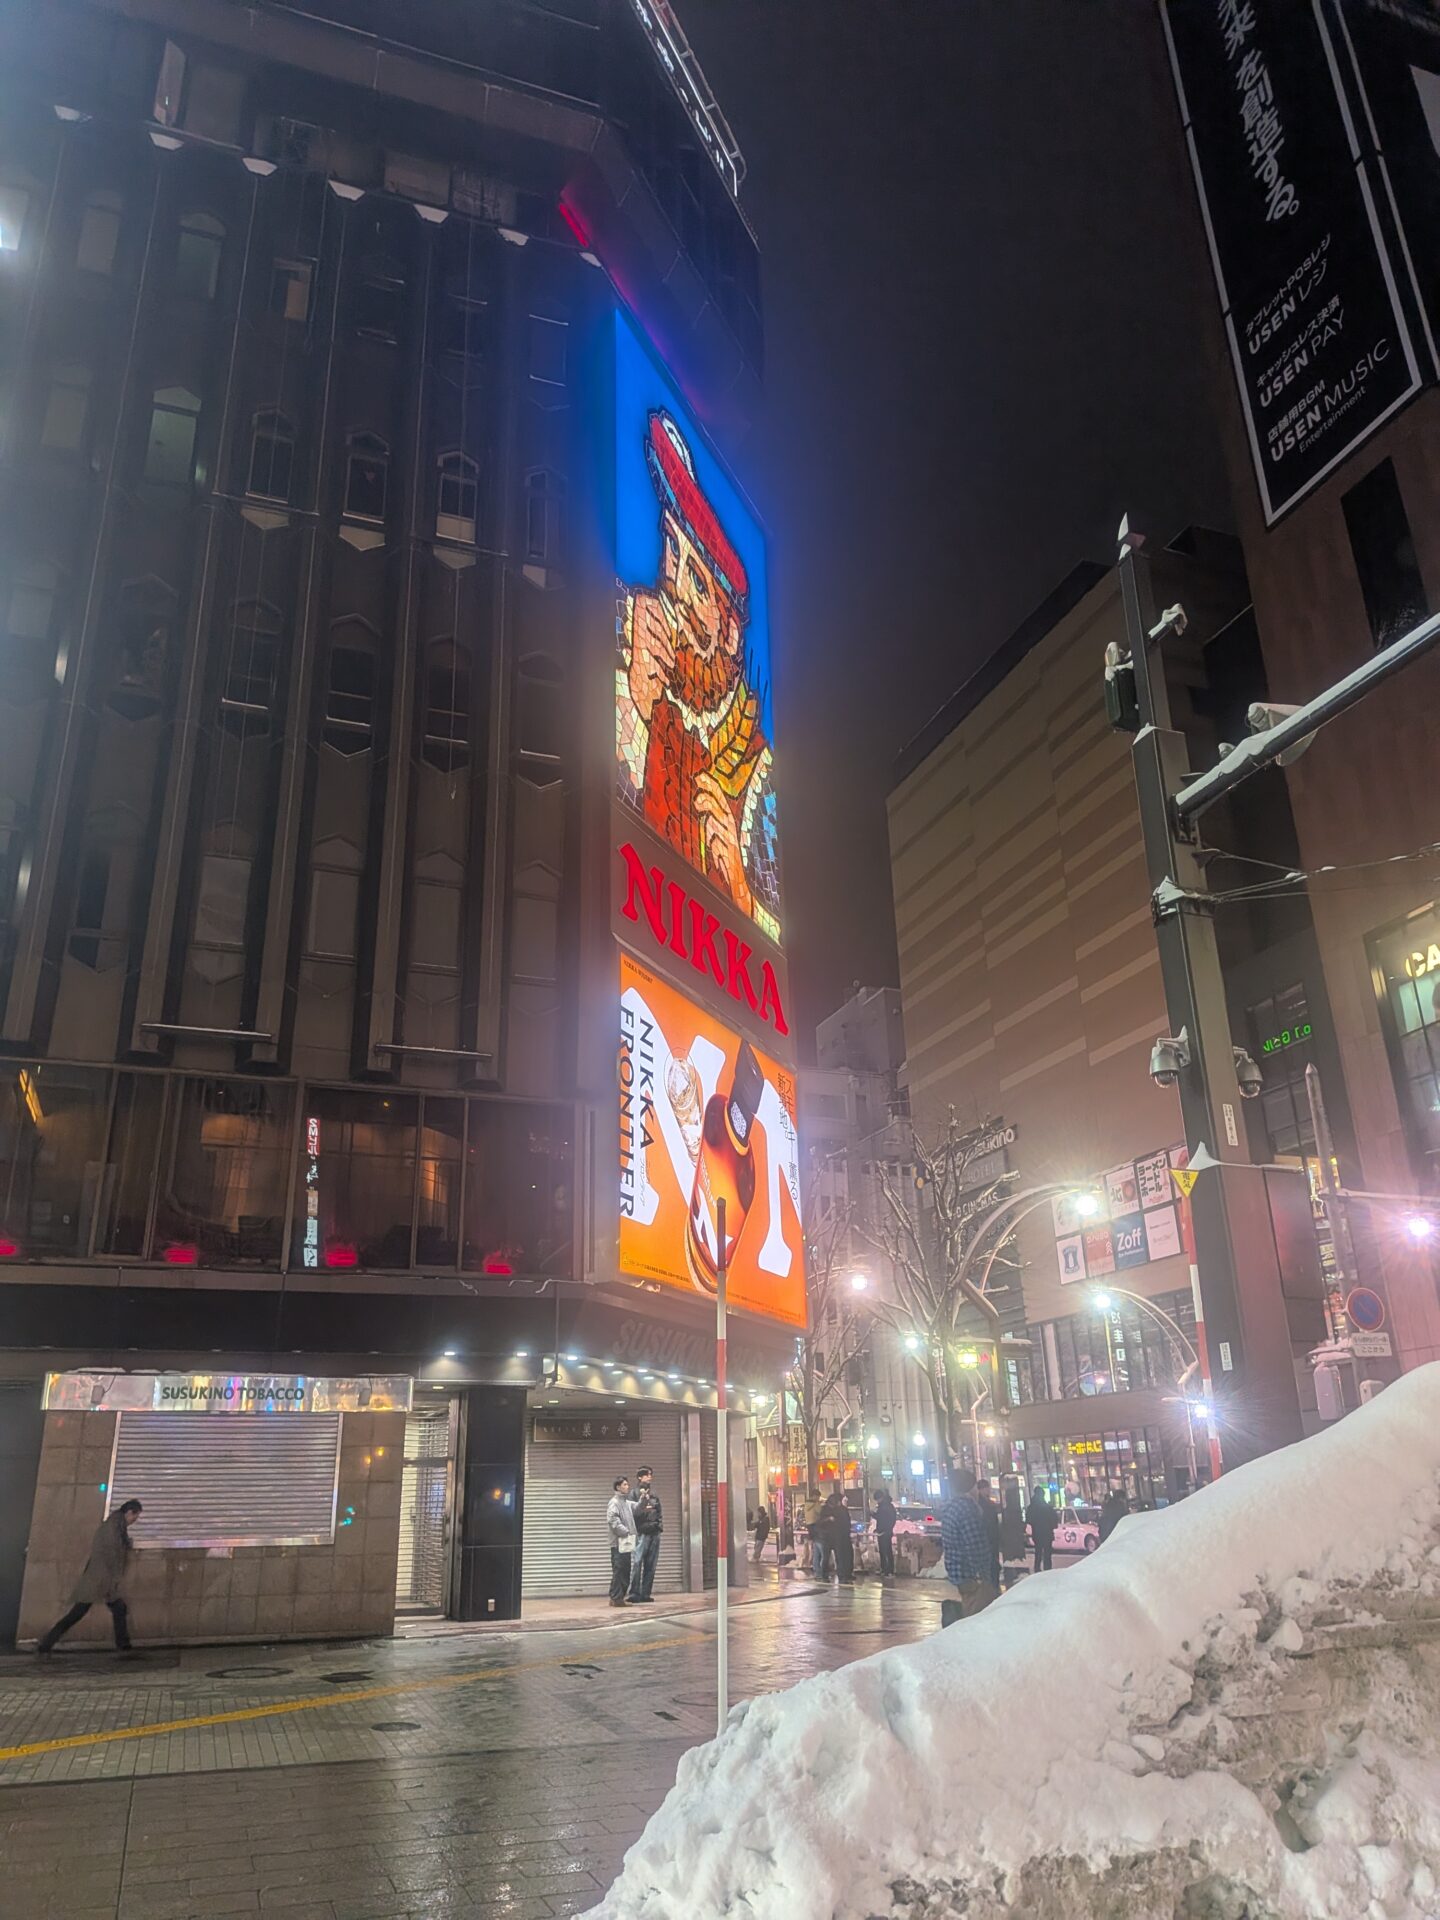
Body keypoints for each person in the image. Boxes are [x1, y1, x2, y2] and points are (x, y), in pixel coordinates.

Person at [616, 410, 780, 938]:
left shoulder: (759, 770)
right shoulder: (621, 629)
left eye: (702, 585)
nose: (678, 586)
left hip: (713, 980)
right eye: (672, 548)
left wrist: (739, 891)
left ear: (731, 633)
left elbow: (780, 932)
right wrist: (633, 706)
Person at [38, 1500, 142, 1656]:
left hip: (102, 1580)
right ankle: (45, 1645)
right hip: (99, 1581)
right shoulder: (112, 1528)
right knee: (77, 1614)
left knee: (117, 1609)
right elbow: (112, 1555)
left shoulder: (117, 1526)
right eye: (136, 1516)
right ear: (129, 1512)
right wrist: (113, 1580)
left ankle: (124, 1645)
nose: (135, 1520)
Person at [939, 1469, 997, 1621]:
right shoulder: (967, 1509)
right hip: (972, 1574)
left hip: (958, 1572)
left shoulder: (950, 1508)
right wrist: (982, 1573)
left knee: (970, 1608)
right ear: (970, 1488)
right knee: (980, 1618)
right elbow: (975, 1544)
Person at [628, 1465, 663, 1603]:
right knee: (637, 1563)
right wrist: (643, 1503)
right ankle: (634, 1593)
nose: (650, 1477)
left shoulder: (654, 1494)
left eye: (650, 1474)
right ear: (639, 1477)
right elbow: (633, 1513)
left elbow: (659, 1511)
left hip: (654, 1533)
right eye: (647, 1475)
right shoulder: (634, 1494)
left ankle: (646, 1594)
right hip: (641, 1533)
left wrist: (659, 1526)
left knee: (651, 1565)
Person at [607, 1475, 636, 1607]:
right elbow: (613, 1520)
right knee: (619, 1569)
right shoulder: (615, 1502)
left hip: (625, 1542)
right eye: (624, 1484)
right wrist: (626, 1531)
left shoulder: (626, 1502)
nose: (627, 1486)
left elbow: (637, 1507)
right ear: (618, 1487)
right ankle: (616, 1598)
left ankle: (616, 1597)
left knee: (624, 1569)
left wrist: (643, 1500)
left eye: (627, 1484)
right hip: (618, 1542)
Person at [998, 1480, 1028, 1588]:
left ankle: (1013, 1574)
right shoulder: (1014, 1512)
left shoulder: (1007, 1513)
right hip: (1014, 1545)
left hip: (1010, 1546)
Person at [822, 1490, 854, 1585]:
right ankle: (828, 1575)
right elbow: (821, 1522)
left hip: (837, 1536)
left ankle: (841, 1575)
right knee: (831, 1557)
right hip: (832, 1536)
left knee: (838, 1557)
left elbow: (846, 1522)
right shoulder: (829, 1510)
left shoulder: (840, 1509)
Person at [976, 1478, 1002, 1593]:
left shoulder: (982, 1504)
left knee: (991, 1567)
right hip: (989, 1540)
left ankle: (991, 1589)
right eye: (987, 1488)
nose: (989, 1490)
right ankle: (992, 1590)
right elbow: (991, 1524)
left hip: (989, 1540)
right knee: (992, 1567)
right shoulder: (984, 1505)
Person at [1026, 1486, 1058, 1573]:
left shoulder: (1032, 1507)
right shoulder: (1047, 1507)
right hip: (1047, 1532)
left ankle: (1037, 1569)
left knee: (1038, 1552)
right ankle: (1047, 1569)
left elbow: (1029, 1519)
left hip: (1037, 1533)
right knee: (1047, 1553)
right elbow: (1054, 1519)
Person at [802, 1487, 830, 1579]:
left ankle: (817, 1570)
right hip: (817, 1527)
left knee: (816, 1551)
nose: (818, 1498)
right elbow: (820, 1512)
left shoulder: (807, 1504)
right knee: (822, 1552)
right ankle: (821, 1571)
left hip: (810, 1527)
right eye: (818, 1497)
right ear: (815, 1496)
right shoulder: (815, 1504)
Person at [872, 1490, 897, 1580]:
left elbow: (885, 1519)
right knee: (883, 1551)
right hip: (882, 1531)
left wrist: (885, 1529)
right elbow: (880, 1517)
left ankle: (889, 1570)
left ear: (881, 1498)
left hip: (885, 1532)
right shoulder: (884, 1506)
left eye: (877, 1499)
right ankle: (884, 1569)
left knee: (886, 1551)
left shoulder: (886, 1507)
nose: (877, 1501)